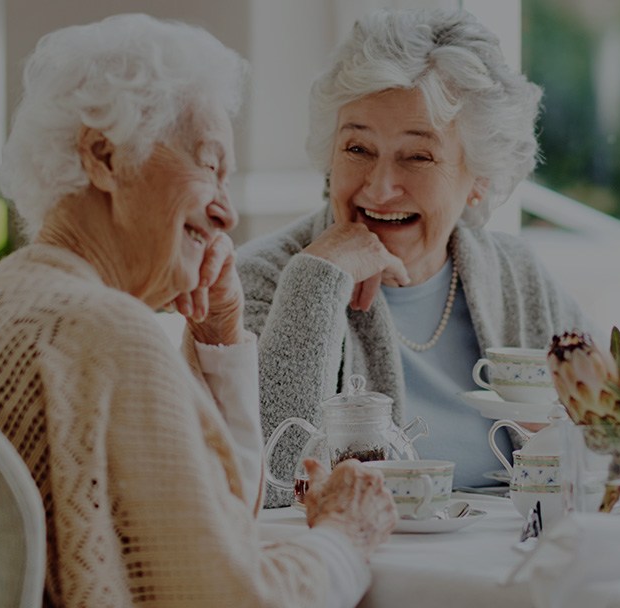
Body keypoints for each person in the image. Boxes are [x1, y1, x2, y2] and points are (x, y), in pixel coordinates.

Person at [0, 14, 393, 607]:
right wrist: (345, 536)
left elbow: (209, 529)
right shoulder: (106, 336)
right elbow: (239, 599)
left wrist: (220, 338)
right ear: (104, 156)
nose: (226, 213)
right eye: (209, 166)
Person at [240, 8, 586, 507]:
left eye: (417, 156)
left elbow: (614, 437)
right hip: (362, 575)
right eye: (357, 148)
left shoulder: (516, 274)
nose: (379, 188)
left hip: (514, 565)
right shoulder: (264, 278)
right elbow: (265, 484)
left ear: (480, 179)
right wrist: (317, 282)